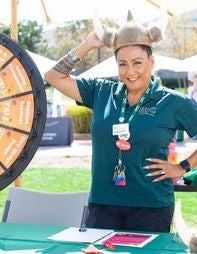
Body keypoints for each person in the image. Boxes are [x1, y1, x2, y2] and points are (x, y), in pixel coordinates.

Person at [44, 12, 197, 233]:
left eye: (137, 63)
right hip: (103, 204)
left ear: (151, 62)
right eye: (122, 64)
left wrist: (183, 167)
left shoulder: (172, 101)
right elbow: (53, 77)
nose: (130, 71)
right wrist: (88, 44)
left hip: (151, 206)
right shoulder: (101, 91)